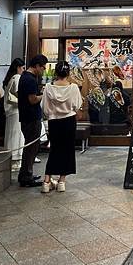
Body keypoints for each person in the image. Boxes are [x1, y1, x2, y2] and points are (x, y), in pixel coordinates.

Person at [41, 61, 83, 193]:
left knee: (54, 149)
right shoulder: (74, 88)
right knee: (67, 150)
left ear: (55, 72)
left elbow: (45, 108)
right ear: (68, 73)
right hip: (69, 121)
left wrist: (53, 113)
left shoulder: (48, 87)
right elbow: (77, 105)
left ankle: (46, 181)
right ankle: (61, 182)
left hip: (54, 121)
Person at [17, 54, 48, 187]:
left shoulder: (24, 76)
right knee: (31, 147)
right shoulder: (29, 79)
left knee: (30, 147)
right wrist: (44, 95)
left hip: (26, 117)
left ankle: (26, 174)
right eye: (42, 67)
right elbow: (32, 99)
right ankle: (26, 177)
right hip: (30, 118)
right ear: (36, 66)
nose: (43, 70)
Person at [3, 58, 25, 172]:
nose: (23, 70)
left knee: (11, 135)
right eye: (22, 68)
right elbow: (18, 92)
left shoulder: (9, 78)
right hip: (16, 110)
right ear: (18, 68)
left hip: (10, 111)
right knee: (16, 136)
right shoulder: (17, 77)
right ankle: (15, 161)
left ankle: (9, 159)